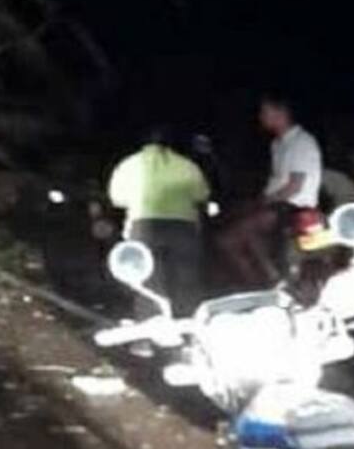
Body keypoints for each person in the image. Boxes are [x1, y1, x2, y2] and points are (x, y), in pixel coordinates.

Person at [219, 95, 322, 286]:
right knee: (234, 235)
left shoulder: (301, 141)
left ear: (280, 113)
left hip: (293, 207)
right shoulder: (278, 144)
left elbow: (294, 187)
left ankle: (270, 279)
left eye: (265, 112)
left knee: (237, 234)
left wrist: (262, 203)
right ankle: (266, 280)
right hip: (277, 205)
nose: (261, 118)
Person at [108, 127, 211, 317]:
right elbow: (202, 195)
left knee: (147, 281)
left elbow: (117, 198)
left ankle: (150, 334)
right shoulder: (187, 165)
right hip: (183, 227)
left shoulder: (129, 164)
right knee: (186, 280)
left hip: (144, 227)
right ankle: (188, 330)